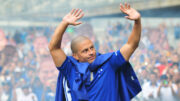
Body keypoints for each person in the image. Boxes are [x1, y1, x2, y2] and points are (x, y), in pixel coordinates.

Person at [49, 3, 142, 101]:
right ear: (75, 56)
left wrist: (137, 21)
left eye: (92, 48)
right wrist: (64, 23)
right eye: (85, 51)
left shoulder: (109, 63)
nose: (91, 52)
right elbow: (54, 48)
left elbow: (131, 45)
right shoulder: (70, 68)